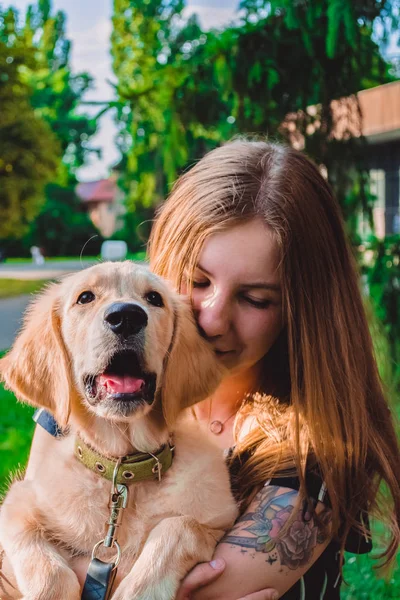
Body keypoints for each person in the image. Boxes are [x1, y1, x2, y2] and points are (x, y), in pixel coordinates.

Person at [7, 140, 400, 599]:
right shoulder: (86, 394)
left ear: (300, 312)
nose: (212, 319)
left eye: (256, 299)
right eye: (197, 281)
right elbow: (20, 539)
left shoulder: (312, 451)